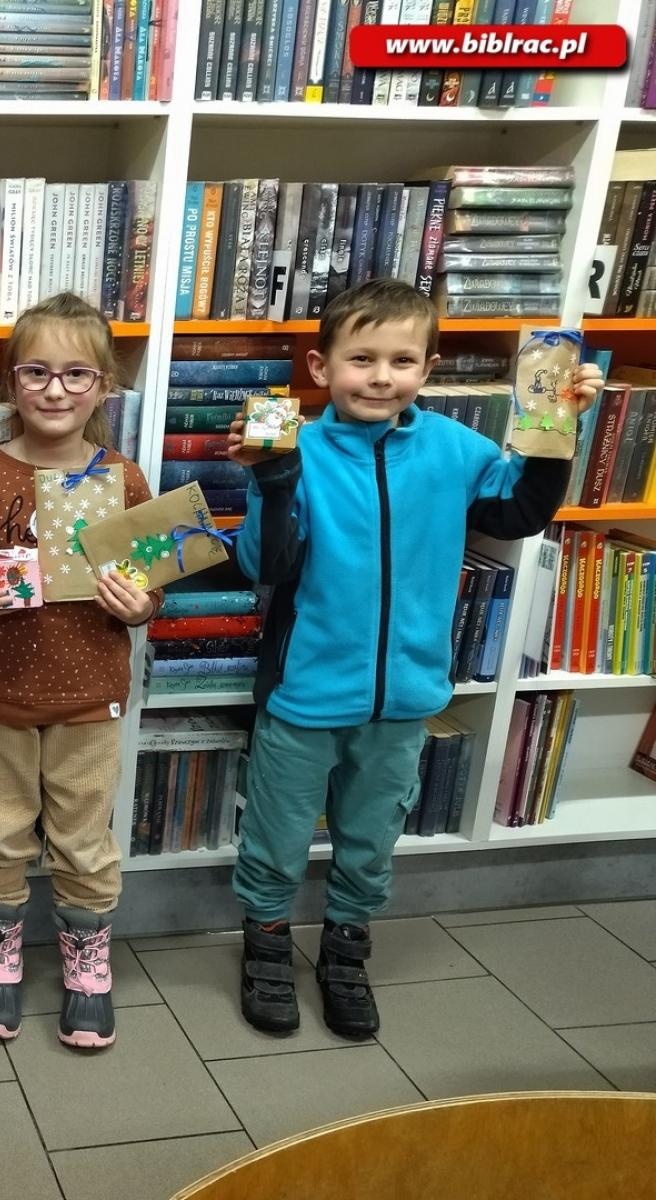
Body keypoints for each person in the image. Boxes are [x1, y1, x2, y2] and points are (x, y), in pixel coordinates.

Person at [228, 278, 603, 1038]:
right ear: (321, 366)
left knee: (372, 837)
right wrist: (271, 478)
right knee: (277, 831)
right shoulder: (296, 448)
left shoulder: (455, 449)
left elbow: (518, 512)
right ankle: (266, 945)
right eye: (361, 359)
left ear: (428, 369)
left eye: (402, 361)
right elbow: (266, 566)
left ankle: (345, 949)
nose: (380, 377)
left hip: (404, 697)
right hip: (304, 692)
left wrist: (555, 429)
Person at [0, 292, 160, 1050]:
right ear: (10, 381)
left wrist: (138, 604)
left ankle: (87, 966)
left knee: (84, 839)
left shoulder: (123, 479)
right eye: (36, 371)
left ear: (104, 385)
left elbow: (150, 586)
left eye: (77, 374)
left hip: (89, 696)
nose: (56, 389)